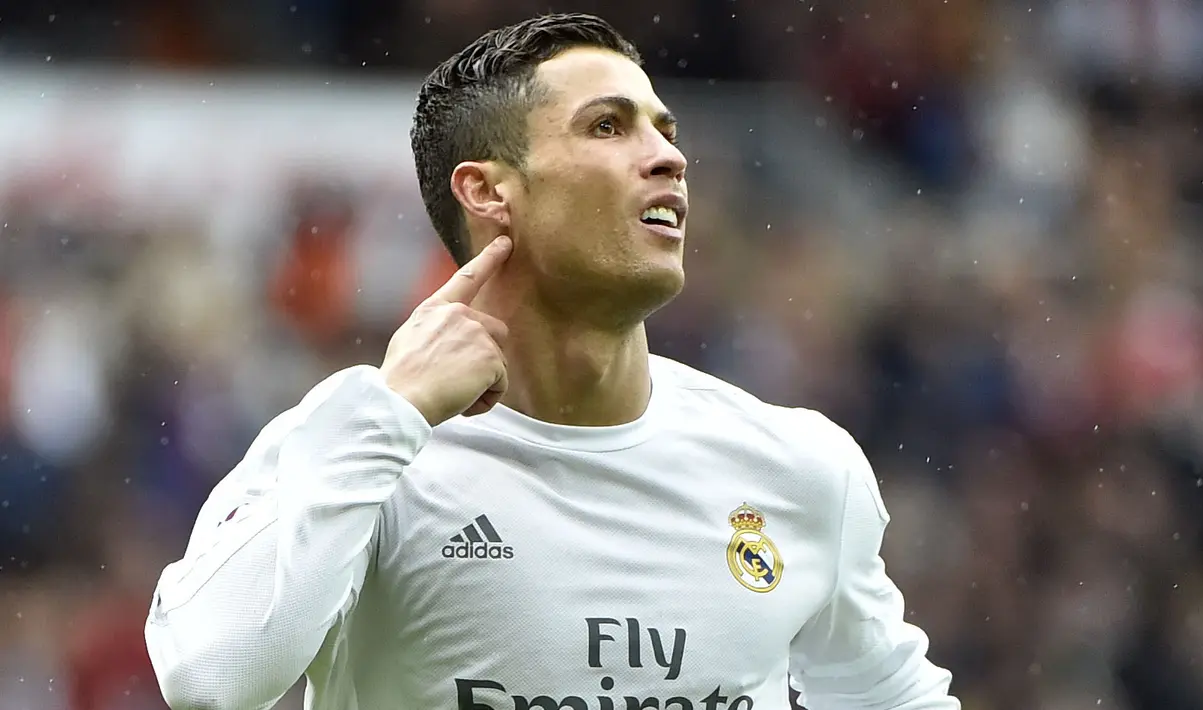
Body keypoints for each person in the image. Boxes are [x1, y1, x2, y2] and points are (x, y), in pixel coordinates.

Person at [144, 13, 960, 710]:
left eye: (664, 130)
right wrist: (389, 413)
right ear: (489, 191)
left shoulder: (797, 466)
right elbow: (213, 678)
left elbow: (887, 693)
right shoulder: (358, 443)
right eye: (608, 126)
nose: (668, 158)